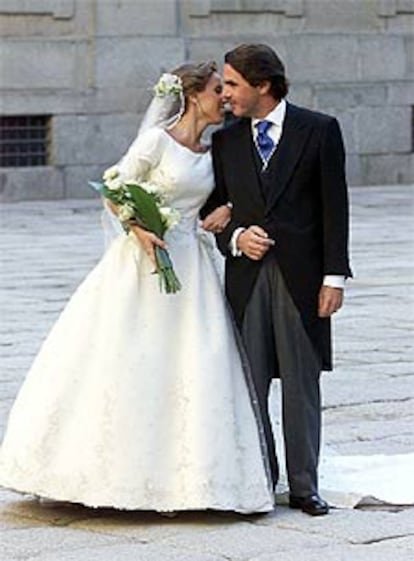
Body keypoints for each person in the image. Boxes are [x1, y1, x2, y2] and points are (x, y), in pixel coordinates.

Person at [0, 61, 274, 514]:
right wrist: (139, 229)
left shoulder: (216, 150)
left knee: (195, 359)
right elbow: (115, 187)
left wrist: (224, 209)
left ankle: (194, 480)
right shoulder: (155, 142)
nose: (223, 98)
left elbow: (219, 199)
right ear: (190, 96)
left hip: (191, 266)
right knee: (130, 354)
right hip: (142, 262)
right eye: (214, 90)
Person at [203, 44, 352, 516]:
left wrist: (334, 278)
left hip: (303, 279)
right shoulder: (226, 141)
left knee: (301, 384)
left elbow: (335, 210)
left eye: (232, 84)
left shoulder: (319, 130)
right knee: (250, 384)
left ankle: (305, 486)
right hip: (246, 280)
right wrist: (238, 235)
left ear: (262, 85)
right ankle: (261, 480)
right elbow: (211, 209)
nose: (224, 94)